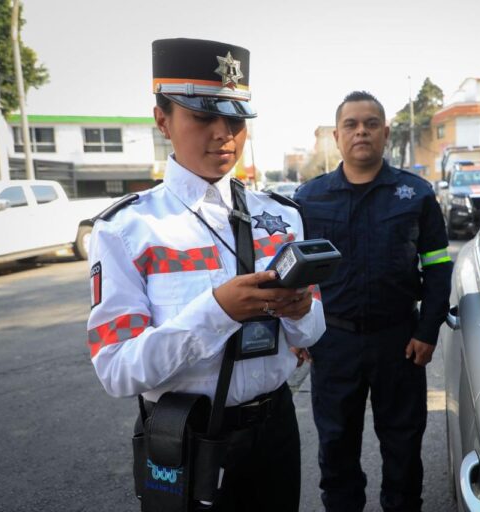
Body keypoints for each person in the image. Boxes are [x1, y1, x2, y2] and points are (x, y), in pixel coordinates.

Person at [86, 38, 324, 511]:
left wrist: (300, 311)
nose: (223, 134)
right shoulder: (129, 229)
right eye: (201, 117)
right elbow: (115, 368)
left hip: (274, 428)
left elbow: (314, 330)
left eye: (235, 120)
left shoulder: (280, 217)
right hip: (187, 435)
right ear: (162, 122)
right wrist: (216, 311)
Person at [294, 91, 453, 511]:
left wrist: (427, 330)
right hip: (333, 344)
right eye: (351, 124)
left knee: (403, 450)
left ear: (385, 131)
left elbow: (437, 267)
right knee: (336, 449)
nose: (361, 130)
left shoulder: (415, 194)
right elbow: (289, 273)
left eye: (370, 123)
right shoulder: (308, 199)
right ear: (337, 135)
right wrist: (294, 331)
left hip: (399, 343)